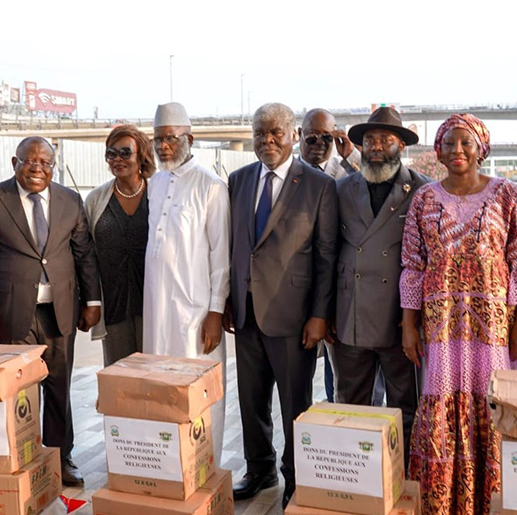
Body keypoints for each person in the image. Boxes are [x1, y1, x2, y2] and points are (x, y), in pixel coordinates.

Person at [401, 114, 517, 514]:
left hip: (492, 328)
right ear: (438, 152)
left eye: (466, 143)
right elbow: (412, 264)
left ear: (481, 148)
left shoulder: (505, 194)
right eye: (449, 143)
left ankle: (493, 503)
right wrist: (409, 324)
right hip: (440, 328)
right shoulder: (424, 199)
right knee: (441, 405)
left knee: (492, 405)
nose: (457, 150)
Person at [0, 136, 101, 487]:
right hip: (11, 310)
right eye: (30, 161)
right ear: (15, 162)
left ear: (53, 167)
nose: (38, 168)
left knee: (59, 387)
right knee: (19, 388)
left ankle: (60, 457)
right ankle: (21, 453)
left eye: (45, 163)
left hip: (60, 310)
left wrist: (92, 301)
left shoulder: (70, 200)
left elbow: (84, 254)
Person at [225, 102, 338, 508]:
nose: (266, 140)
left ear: (293, 135)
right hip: (245, 312)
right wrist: (226, 301)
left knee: (295, 403)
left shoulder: (318, 185)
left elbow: (326, 256)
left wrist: (319, 315)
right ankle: (259, 469)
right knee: (251, 400)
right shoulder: (237, 180)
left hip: (294, 317)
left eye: (275, 132)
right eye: (259, 132)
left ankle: (296, 477)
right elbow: (234, 247)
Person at [333, 106, 429, 459]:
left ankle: (402, 475)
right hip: (350, 315)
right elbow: (328, 253)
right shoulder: (342, 189)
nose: (375, 146)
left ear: (401, 145)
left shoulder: (422, 190)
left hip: (399, 321)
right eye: (369, 140)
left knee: (405, 405)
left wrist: (415, 320)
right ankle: (360, 477)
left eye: (385, 139)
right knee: (351, 404)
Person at [142, 103, 230, 465]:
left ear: (189, 139)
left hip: (195, 311)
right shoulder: (156, 182)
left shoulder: (211, 186)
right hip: (156, 308)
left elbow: (221, 254)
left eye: (171, 139)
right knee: (160, 384)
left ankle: (204, 463)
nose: (163, 146)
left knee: (200, 388)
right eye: (158, 139)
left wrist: (215, 312)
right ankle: (167, 463)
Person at [297, 107, 368, 404]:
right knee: (296, 378)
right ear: (298, 136)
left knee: (337, 378)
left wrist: (350, 154)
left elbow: (376, 184)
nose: (318, 145)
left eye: (326, 138)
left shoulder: (345, 174)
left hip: (335, 293)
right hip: (293, 291)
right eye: (311, 138)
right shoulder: (286, 173)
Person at [85, 125, 155, 366]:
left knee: (156, 379)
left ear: (141, 155)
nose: (117, 159)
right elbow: (87, 256)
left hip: (155, 305)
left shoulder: (160, 193)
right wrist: (91, 301)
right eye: (111, 153)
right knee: (120, 383)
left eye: (125, 152)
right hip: (114, 306)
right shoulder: (95, 199)